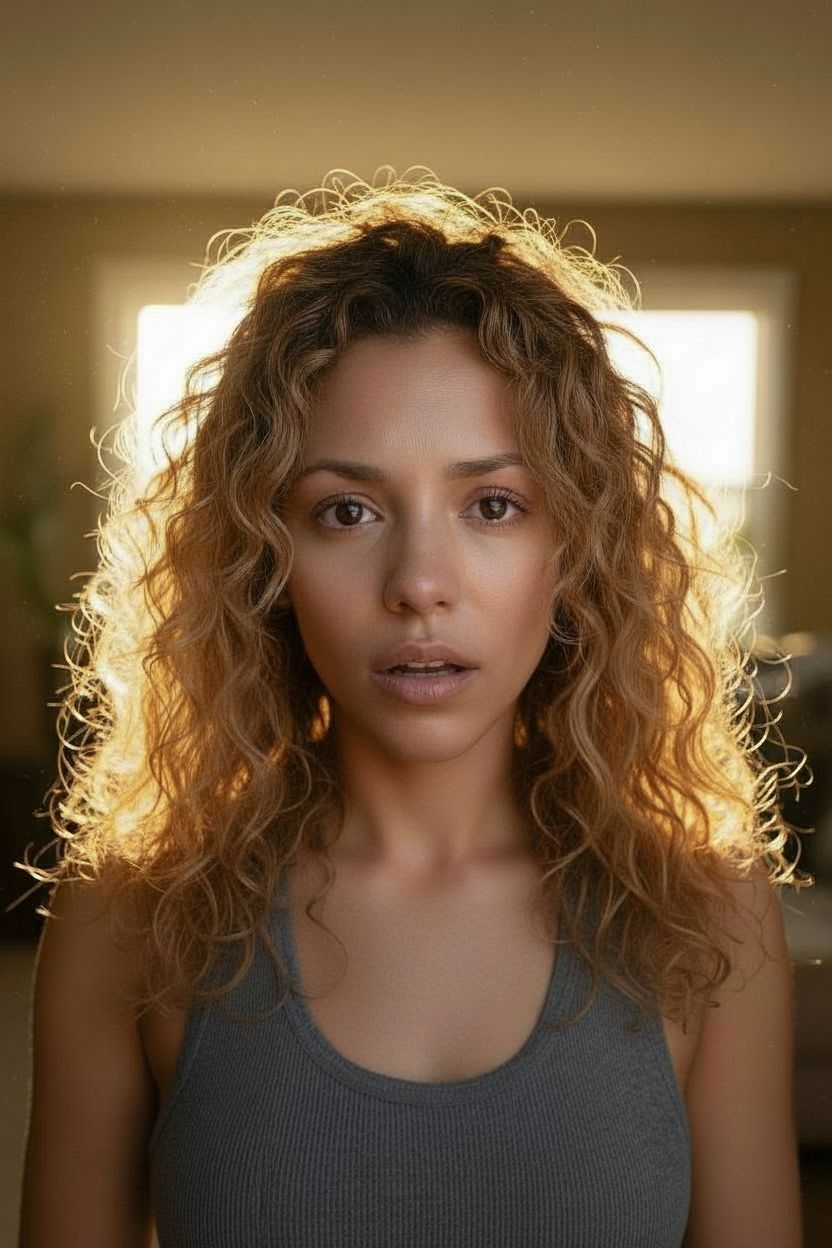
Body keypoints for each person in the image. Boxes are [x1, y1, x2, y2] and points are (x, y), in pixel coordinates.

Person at [17, 168, 809, 1247]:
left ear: (574, 548)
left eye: (493, 504)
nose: (419, 581)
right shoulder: (126, 920)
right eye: (346, 509)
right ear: (261, 556)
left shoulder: (707, 915)